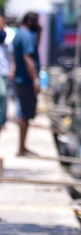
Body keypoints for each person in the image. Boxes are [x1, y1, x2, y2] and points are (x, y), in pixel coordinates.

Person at [11, 12, 42, 156]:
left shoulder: (21, 35)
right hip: (26, 81)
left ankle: (22, 147)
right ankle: (21, 149)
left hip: (20, 80)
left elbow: (34, 47)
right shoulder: (26, 36)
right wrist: (36, 80)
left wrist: (40, 31)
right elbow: (28, 58)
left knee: (25, 114)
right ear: (30, 21)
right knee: (25, 115)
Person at [0, 16, 12, 135]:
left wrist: (12, 68)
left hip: (5, 71)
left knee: (4, 98)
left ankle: (2, 122)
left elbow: (11, 54)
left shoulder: (6, 36)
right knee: (2, 95)